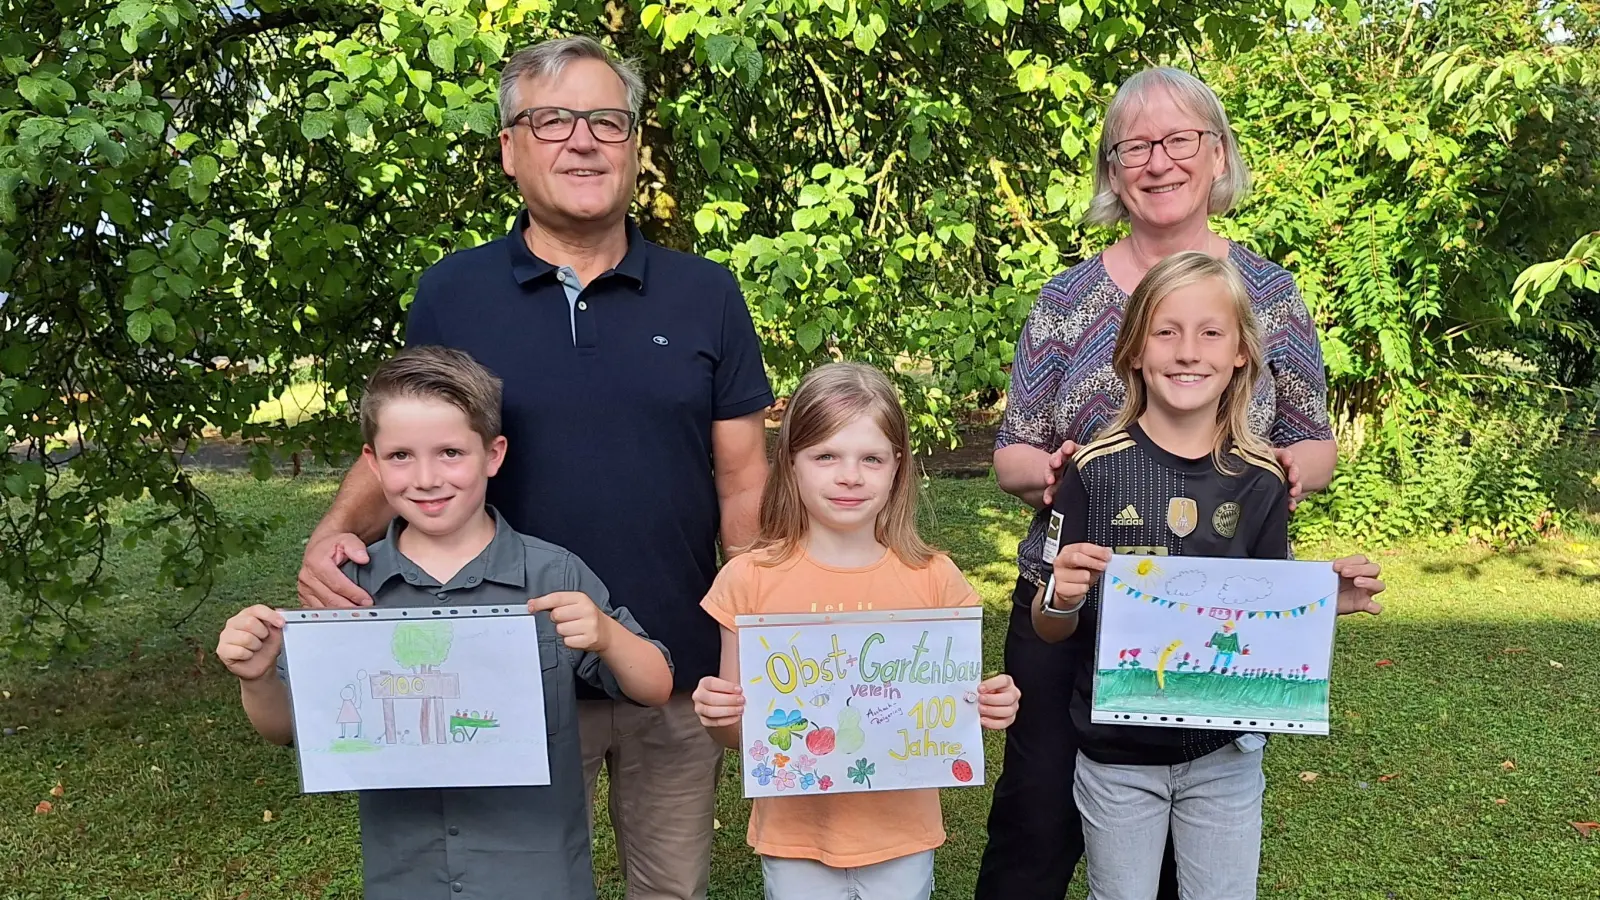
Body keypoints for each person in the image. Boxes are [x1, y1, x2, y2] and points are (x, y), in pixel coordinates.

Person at [293, 37, 773, 900]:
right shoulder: (453, 291)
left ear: (634, 146)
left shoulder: (708, 293)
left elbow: (744, 483)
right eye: (551, 120)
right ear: (510, 149)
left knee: (672, 889)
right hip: (505, 666)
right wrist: (331, 536)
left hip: (670, 661)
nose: (581, 140)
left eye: (606, 120)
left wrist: (746, 640)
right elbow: (416, 437)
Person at [977, 66, 1340, 900]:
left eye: (1181, 139)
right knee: (1035, 821)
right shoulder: (1068, 296)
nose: (1159, 160)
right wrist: (1057, 470)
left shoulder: (1269, 292)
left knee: (1191, 835)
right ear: (1112, 170)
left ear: (1217, 155)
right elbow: (1010, 455)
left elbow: (1313, 442)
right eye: (1134, 145)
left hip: (1209, 607)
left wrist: (1277, 470)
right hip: (1067, 605)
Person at [215, 346, 675, 899]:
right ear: (373, 462)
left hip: (535, 874)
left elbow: (655, 686)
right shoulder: (350, 588)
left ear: (493, 454)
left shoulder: (552, 572)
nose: (427, 478)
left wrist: (607, 634)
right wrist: (257, 676)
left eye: (451, 452)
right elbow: (287, 729)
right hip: (407, 873)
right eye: (401, 455)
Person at [1029, 252, 1384, 900]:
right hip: (1116, 756)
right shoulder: (1094, 470)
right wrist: (1059, 594)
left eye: (1210, 332)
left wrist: (1320, 602)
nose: (1188, 351)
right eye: (1166, 331)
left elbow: (1260, 615)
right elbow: (1052, 628)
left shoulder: (1264, 479)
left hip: (1225, 755)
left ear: (1243, 352)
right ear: (1135, 350)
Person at [689, 362, 1022, 900]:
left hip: (901, 835)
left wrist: (990, 705)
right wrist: (720, 715)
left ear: (898, 467)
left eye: (871, 458)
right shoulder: (749, 580)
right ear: (791, 464)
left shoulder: (935, 579)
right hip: (795, 837)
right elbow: (736, 737)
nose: (850, 476)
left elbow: (950, 710)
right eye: (826, 456)